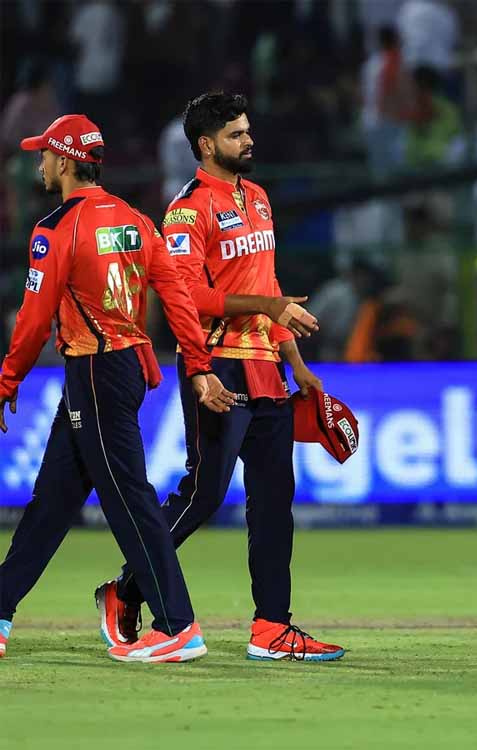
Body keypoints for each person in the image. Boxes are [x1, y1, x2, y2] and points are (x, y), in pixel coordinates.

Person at [95, 92, 345, 662]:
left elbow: (267, 284)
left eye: (248, 131)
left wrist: (297, 364)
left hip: (266, 366)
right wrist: (269, 306)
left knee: (274, 500)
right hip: (215, 364)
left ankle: (271, 628)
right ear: (206, 145)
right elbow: (187, 297)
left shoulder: (257, 197)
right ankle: (125, 590)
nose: (248, 140)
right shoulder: (187, 211)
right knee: (204, 495)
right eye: (236, 134)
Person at [0, 114, 235, 662]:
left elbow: (33, 320)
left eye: (44, 154)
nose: (39, 163)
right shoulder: (135, 220)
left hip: (95, 370)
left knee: (129, 498)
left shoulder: (57, 229)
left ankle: (177, 625)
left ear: (64, 161)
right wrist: (198, 364)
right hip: (124, 368)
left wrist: (8, 377)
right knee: (54, 500)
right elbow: (176, 295)